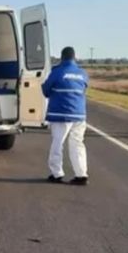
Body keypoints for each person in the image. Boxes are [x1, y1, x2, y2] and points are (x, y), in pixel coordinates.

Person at [42, 46, 89, 185]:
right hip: (79, 115)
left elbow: (46, 90)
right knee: (78, 144)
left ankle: (56, 174)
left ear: (62, 58)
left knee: (58, 143)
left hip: (61, 114)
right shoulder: (82, 73)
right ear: (74, 57)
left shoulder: (57, 72)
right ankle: (81, 174)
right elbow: (84, 88)